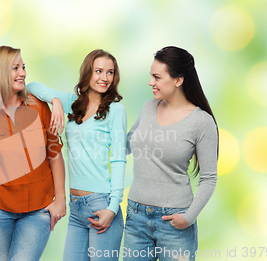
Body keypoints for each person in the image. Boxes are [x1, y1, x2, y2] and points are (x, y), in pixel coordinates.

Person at [0, 45, 66, 261]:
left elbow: (54, 153)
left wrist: (60, 199)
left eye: (23, 67)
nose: (23, 73)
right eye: (15, 68)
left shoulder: (39, 107)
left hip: (38, 209)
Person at [27, 49, 127, 261]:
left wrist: (113, 208)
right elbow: (32, 87)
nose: (105, 78)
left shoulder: (115, 110)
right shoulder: (73, 103)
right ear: (87, 72)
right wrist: (54, 101)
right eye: (98, 71)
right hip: (76, 207)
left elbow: (118, 158)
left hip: (102, 204)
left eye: (110, 72)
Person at [123, 46, 218, 261]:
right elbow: (125, 147)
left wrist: (189, 217)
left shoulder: (201, 122)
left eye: (157, 77)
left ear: (178, 80)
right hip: (136, 216)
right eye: (151, 76)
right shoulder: (148, 107)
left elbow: (209, 178)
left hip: (174, 222)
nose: (151, 82)